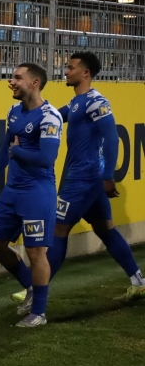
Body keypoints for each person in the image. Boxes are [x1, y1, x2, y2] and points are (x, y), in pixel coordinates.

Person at [17, 52, 143, 302]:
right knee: (105, 229)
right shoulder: (77, 102)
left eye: (71, 67)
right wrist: (29, 106)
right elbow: (52, 115)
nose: (66, 71)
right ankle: (139, 282)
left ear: (85, 73)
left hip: (84, 178)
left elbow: (112, 138)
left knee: (59, 229)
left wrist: (108, 175)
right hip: (87, 178)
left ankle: (34, 290)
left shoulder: (97, 102)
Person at [0, 63, 63, 328]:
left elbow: (46, 159)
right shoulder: (14, 112)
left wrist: (17, 152)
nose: (11, 82)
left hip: (37, 193)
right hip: (12, 191)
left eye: (18, 78)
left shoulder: (50, 117)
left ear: (34, 83)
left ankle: (39, 313)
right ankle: (30, 288)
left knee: (35, 251)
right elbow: (6, 146)